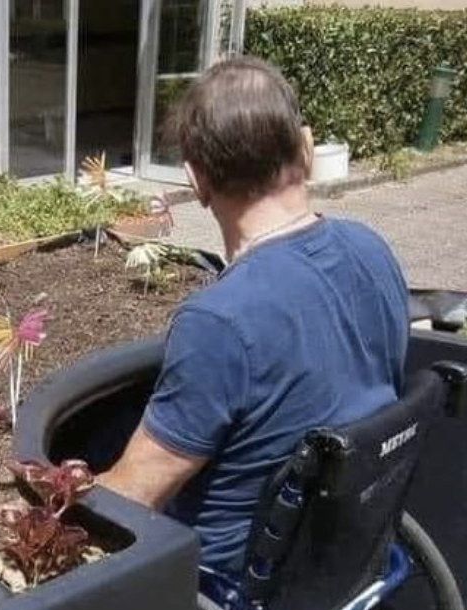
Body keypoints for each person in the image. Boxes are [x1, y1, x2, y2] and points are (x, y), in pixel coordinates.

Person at [98, 56, 410, 576]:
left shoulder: (220, 321)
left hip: (230, 573)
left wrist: (46, 492)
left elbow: (134, 495)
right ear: (306, 149)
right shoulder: (372, 250)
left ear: (196, 180)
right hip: (338, 532)